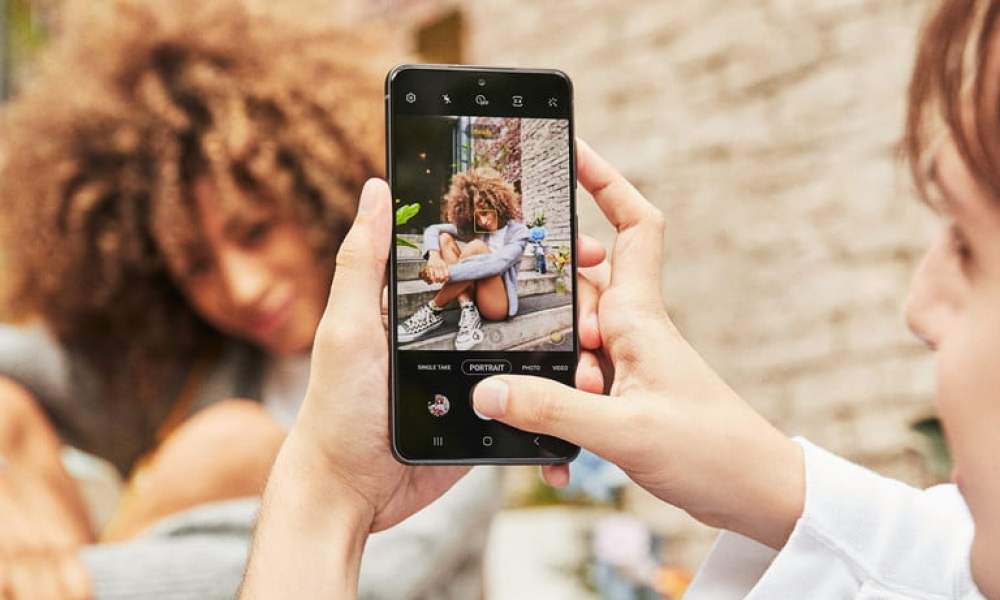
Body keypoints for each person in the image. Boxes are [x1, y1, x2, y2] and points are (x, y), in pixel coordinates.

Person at [238, 1, 1000, 587]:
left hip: (488, 301)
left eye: (966, 244)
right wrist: (769, 480)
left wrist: (324, 497)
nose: (919, 306)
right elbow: (929, 563)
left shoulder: (502, 234)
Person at [0, 1, 498, 598]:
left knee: (230, 446)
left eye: (256, 231)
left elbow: (388, 566)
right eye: (196, 266)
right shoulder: (205, 365)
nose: (242, 286)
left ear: (320, 196)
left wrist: (78, 579)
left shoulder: (439, 345)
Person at [398, 168, 530, 350]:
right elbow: (433, 229)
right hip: (471, 291)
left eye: (486, 212)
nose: (483, 221)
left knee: (477, 247)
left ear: (499, 204)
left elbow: (496, 265)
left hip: (497, 303)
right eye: (477, 215)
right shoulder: (476, 227)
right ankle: (468, 308)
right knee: (445, 237)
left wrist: (444, 273)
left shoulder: (519, 232)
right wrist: (434, 258)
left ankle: (433, 309)